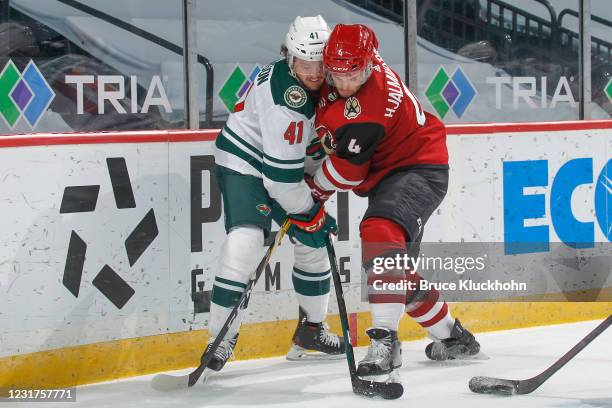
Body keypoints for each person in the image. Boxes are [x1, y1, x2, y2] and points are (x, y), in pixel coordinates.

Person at [306, 24, 481, 384]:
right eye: (336, 74)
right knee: (394, 270)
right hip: (393, 171)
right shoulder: (355, 59)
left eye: (353, 75)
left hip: (418, 167)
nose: (343, 84)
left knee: (378, 229)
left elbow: (348, 173)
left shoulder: (368, 109)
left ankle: (386, 344)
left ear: (369, 66)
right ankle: (453, 337)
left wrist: (312, 191)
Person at [207, 15, 343, 374]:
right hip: (246, 164)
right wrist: (308, 210)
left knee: (314, 243)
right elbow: (280, 181)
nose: (314, 72)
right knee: (246, 240)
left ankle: (311, 332)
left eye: (320, 63)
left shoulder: (331, 79)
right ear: (289, 56)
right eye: (305, 62)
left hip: (288, 169)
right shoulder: (288, 100)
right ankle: (220, 340)